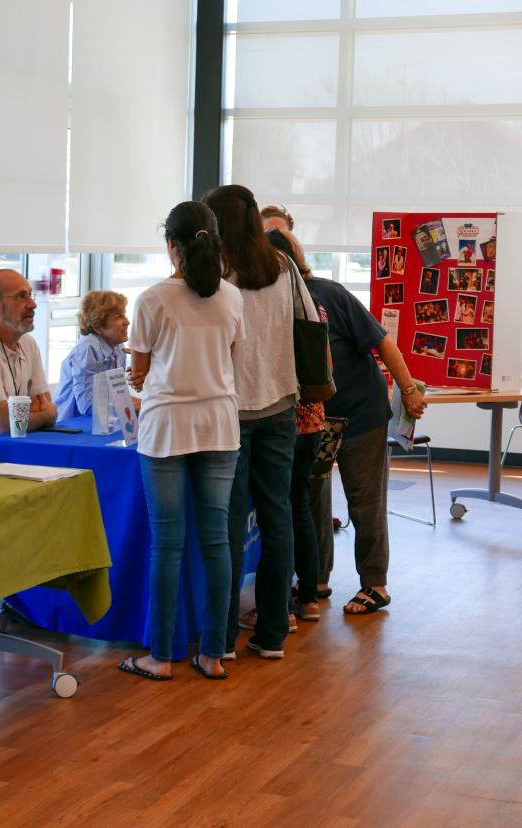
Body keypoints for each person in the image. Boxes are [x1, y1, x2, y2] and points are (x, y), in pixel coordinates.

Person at [118, 201, 244, 681]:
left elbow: (140, 372)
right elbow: (229, 357)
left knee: (167, 546)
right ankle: (213, 654)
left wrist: (140, 371)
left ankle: (161, 657)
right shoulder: (232, 297)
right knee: (216, 543)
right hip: (219, 423)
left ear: (171, 245)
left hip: (166, 425)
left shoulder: (152, 299)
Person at [204, 184, 311, 661]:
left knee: (227, 525)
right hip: (281, 404)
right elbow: (309, 320)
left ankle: (223, 640)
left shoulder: (215, 270)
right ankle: (272, 635)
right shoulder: (283, 265)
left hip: (229, 409)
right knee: (277, 517)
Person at [303, 244, 426, 615]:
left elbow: (382, 341)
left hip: (361, 413)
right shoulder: (272, 300)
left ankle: (375, 584)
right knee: (313, 495)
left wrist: (407, 390)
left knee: (364, 498)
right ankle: (315, 578)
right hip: (316, 418)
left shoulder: (329, 292)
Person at [265, 225, 327, 623]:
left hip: (284, 416)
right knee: (299, 506)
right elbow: (327, 369)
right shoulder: (314, 307)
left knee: (278, 512)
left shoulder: (271, 309)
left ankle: (280, 607)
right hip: (314, 418)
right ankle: (309, 597)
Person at [0, 269, 57, 433]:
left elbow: (44, 402)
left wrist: (15, 412)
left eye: (30, 295)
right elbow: (2, 423)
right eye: (21, 297)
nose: (33, 304)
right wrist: (45, 415)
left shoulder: (29, 343)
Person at [54, 290, 130, 421]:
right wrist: (128, 404)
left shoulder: (118, 347)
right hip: (72, 425)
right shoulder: (87, 348)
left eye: (124, 315)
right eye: (119, 317)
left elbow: (117, 394)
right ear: (98, 327)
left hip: (102, 421)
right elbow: (87, 405)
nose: (127, 321)